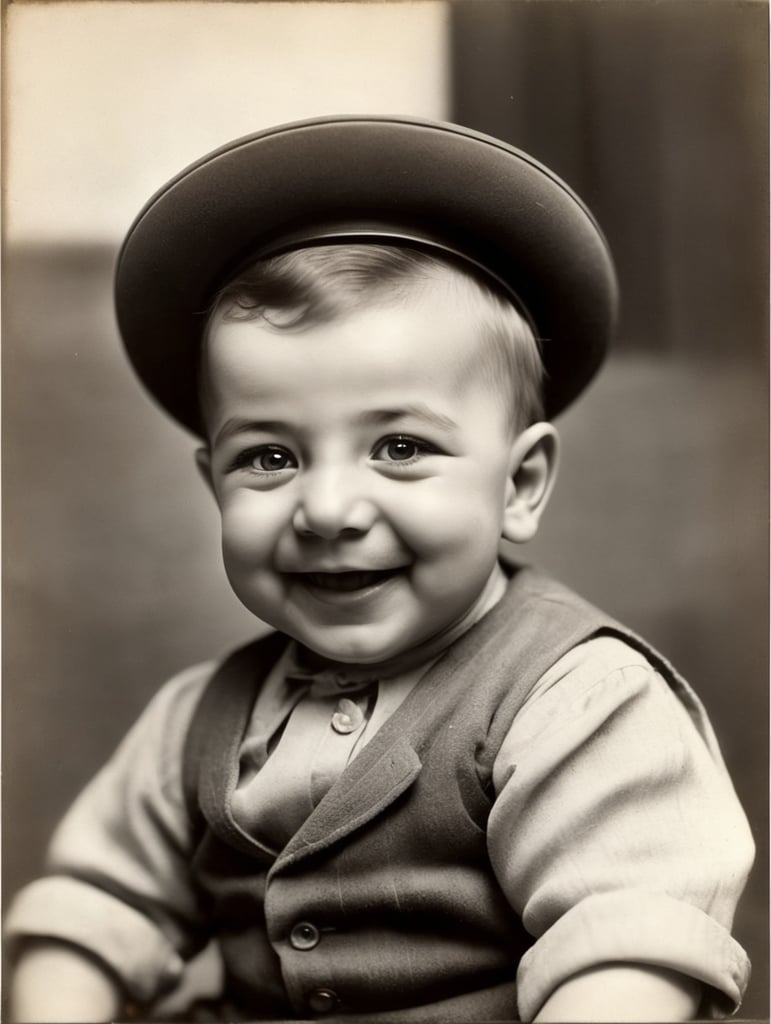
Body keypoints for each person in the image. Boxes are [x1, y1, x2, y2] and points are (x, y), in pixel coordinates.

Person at [7, 116, 754, 1023]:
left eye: (399, 447)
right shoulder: (196, 722)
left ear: (518, 485)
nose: (326, 510)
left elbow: (632, 943)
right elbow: (93, 909)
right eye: (269, 458)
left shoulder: (579, 700)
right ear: (213, 484)